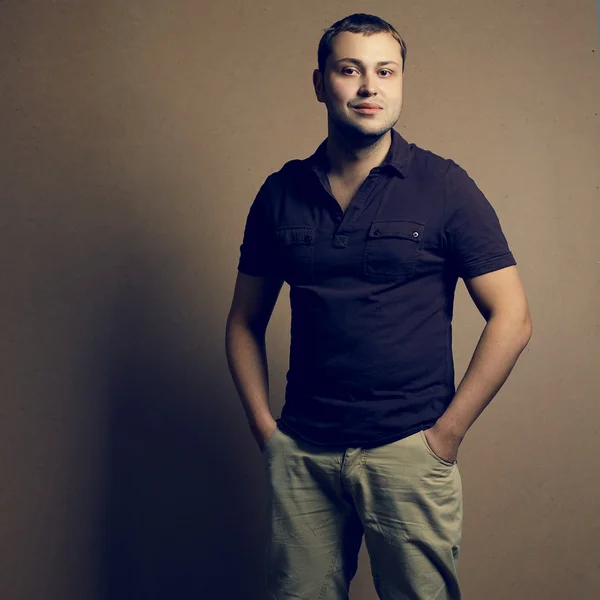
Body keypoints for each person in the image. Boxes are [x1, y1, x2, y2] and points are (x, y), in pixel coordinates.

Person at [225, 12, 532, 600]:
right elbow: (243, 321)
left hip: (408, 451)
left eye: (385, 71)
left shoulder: (443, 186)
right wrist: (268, 434)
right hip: (304, 455)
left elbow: (512, 317)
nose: (370, 86)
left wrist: (446, 435)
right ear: (321, 84)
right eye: (350, 70)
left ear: (400, 82)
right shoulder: (279, 192)